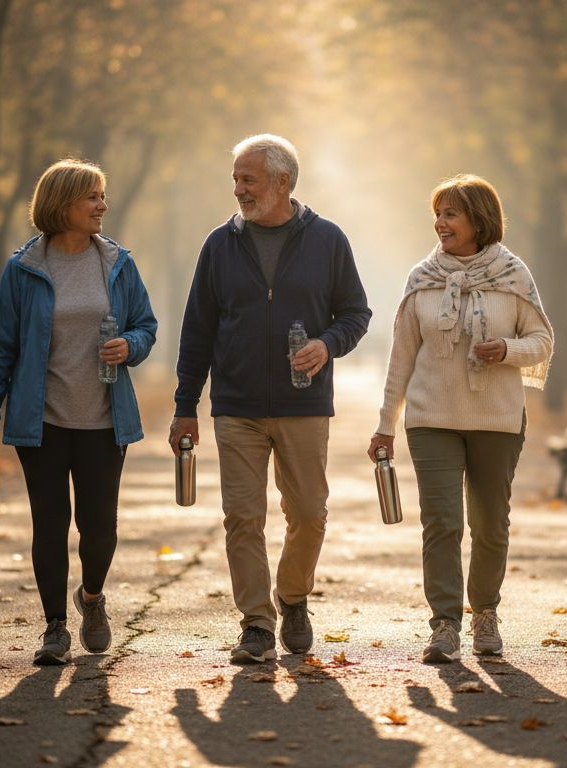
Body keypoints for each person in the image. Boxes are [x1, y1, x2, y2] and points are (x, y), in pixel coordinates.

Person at [170, 134, 371, 663]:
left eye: (248, 179)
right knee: (242, 515)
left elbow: (356, 313)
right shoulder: (219, 244)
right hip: (236, 405)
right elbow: (198, 329)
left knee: (308, 513)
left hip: (304, 404)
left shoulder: (327, 240)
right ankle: (256, 623)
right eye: (236, 178)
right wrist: (185, 405)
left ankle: (293, 595)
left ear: (282, 183)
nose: (238, 189)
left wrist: (327, 346)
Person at [0, 159, 157, 666]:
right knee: (50, 525)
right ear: (62, 204)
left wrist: (130, 345)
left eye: (102, 195)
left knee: (100, 530)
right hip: (42, 421)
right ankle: (54, 628)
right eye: (92, 196)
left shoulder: (117, 263)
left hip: (104, 420)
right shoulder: (24, 269)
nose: (102, 205)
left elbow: (146, 325)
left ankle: (91, 599)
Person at [368, 174, 553, 663]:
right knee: (443, 522)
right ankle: (445, 624)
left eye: (451, 213)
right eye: (439, 213)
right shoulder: (422, 278)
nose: (440, 223)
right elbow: (401, 358)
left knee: (490, 524)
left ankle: (485, 613)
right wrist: (386, 424)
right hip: (432, 419)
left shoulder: (513, 276)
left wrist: (508, 349)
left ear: (479, 220)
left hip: (497, 419)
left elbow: (542, 341)